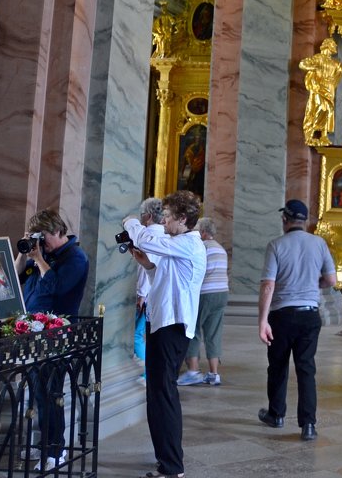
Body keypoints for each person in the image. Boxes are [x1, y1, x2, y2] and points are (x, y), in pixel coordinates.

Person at [123, 190, 206, 478]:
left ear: (183, 219)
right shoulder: (178, 246)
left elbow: (147, 237)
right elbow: (163, 278)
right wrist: (146, 265)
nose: (165, 221)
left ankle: (172, 466)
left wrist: (131, 222)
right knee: (158, 393)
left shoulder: (189, 244)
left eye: (169, 217)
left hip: (172, 328)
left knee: (163, 394)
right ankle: (165, 460)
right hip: (162, 323)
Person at [17, 208, 91, 471]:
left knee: (52, 393)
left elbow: (56, 287)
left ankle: (56, 450)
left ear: (59, 231)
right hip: (35, 330)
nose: (42, 241)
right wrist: (24, 252)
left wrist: (40, 259)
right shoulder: (43, 254)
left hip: (58, 333)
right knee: (39, 392)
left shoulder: (76, 257)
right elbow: (18, 278)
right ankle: (45, 443)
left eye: (44, 235)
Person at [257, 199, 337, 442]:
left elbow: (268, 285)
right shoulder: (319, 243)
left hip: (282, 315)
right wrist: (314, 285)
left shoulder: (276, 245)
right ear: (305, 220)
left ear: (285, 220)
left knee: (278, 366)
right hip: (310, 314)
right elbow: (331, 280)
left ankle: (276, 414)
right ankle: (308, 425)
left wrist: (262, 320)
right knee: (306, 369)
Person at [176, 217, 229, 386]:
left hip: (205, 293)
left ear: (203, 232)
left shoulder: (201, 247)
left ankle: (193, 370)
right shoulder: (221, 249)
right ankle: (214, 374)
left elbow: (196, 271)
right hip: (222, 293)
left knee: (192, 329)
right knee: (214, 332)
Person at [134, 199, 165, 380]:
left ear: (149, 215)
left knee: (137, 336)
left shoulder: (146, 235)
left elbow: (144, 267)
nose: (141, 217)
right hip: (158, 293)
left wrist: (140, 294)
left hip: (146, 293)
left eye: (142, 213)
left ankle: (145, 372)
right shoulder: (166, 236)